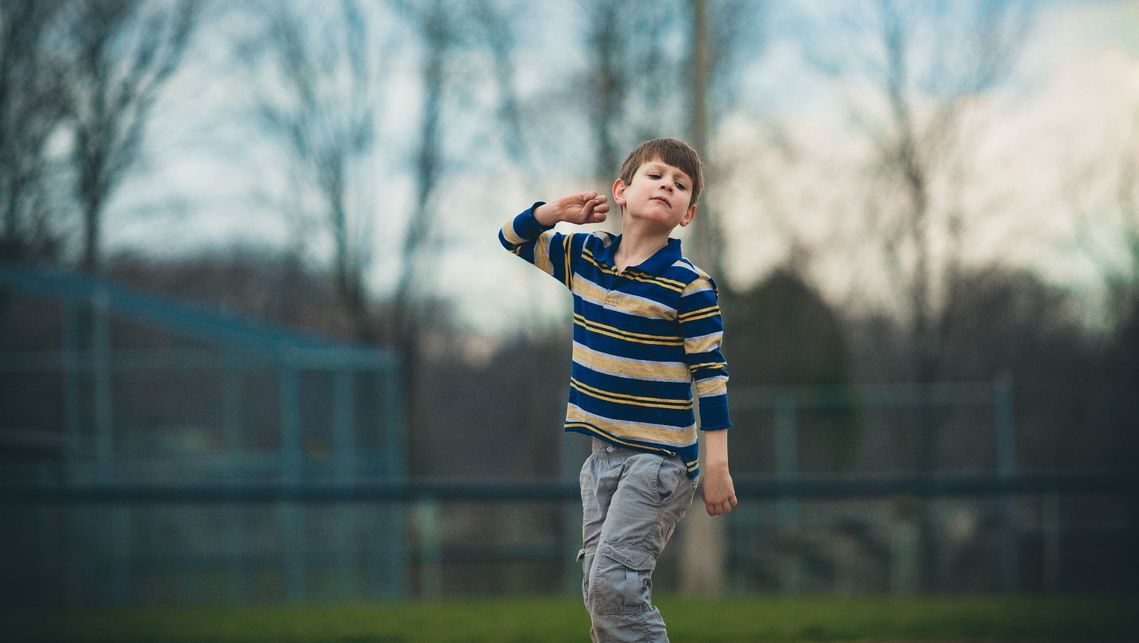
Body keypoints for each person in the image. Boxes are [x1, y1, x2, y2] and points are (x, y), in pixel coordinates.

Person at [497, 137, 737, 642]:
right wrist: (551, 212)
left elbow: (710, 378)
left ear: (686, 215)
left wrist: (716, 466)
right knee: (600, 590)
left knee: (615, 588)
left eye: (680, 185)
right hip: (601, 458)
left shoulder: (688, 285)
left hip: (660, 463)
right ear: (621, 192)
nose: (667, 186)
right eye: (656, 176)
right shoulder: (586, 256)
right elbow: (510, 239)